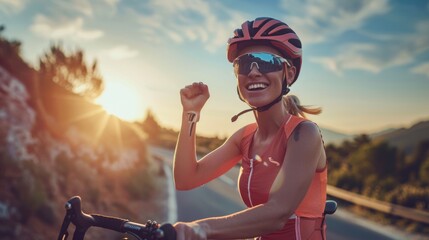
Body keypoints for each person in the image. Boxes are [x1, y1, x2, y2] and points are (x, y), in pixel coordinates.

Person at [173, 17, 327, 240]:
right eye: (244, 64)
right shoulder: (244, 137)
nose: (254, 72)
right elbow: (186, 179)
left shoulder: (304, 134)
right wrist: (190, 114)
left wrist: (200, 228)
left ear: (289, 74)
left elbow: (278, 213)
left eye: (266, 61)